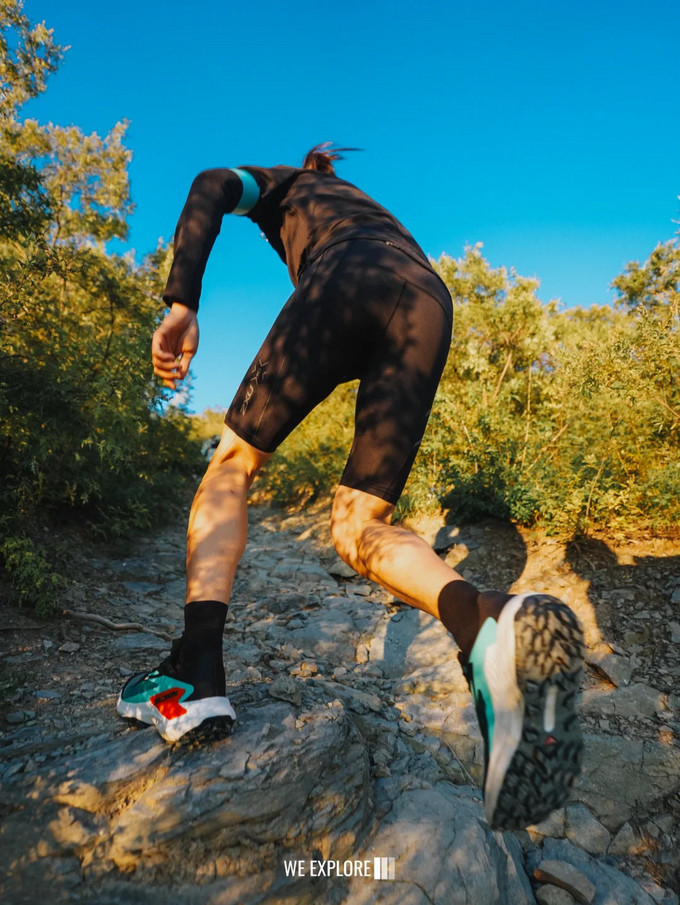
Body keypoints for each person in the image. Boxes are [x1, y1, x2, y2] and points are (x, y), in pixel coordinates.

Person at [117, 145, 584, 830]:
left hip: (345, 281)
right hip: (426, 298)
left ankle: (197, 670)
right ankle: (484, 620)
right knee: (359, 521)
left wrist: (182, 301)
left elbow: (213, 183)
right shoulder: (368, 206)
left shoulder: (285, 188)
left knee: (231, 465)